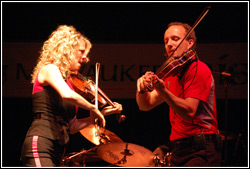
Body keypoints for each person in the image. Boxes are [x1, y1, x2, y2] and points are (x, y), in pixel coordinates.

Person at [20, 25, 122, 167]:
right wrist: (93, 107)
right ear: (66, 49)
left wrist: (102, 112)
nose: (85, 57)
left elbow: (73, 126)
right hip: (41, 142)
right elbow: (66, 95)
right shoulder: (50, 69)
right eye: (81, 51)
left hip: (58, 149)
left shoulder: (69, 82)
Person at [136, 22, 222, 166]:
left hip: (201, 147)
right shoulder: (171, 73)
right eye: (166, 41)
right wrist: (142, 89)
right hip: (179, 146)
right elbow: (145, 105)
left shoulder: (198, 69)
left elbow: (189, 111)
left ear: (189, 43)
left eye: (175, 39)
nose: (169, 44)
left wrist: (163, 90)